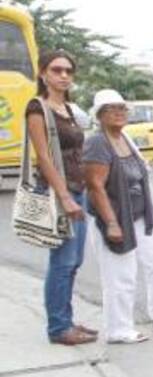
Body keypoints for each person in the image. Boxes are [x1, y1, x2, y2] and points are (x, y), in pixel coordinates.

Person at [83, 89, 153, 344]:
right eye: (111, 109)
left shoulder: (124, 138)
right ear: (100, 115)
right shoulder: (97, 143)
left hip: (138, 218)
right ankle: (118, 330)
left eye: (122, 108)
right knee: (121, 276)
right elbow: (95, 186)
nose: (119, 113)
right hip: (114, 220)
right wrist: (111, 223)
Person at [26, 50, 95, 346]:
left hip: (79, 190)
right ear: (43, 73)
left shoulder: (67, 108)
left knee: (74, 261)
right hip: (60, 193)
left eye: (68, 70)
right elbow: (44, 157)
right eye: (56, 70)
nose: (64, 75)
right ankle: (58, 328)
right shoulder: (37, 108)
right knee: (63, 262)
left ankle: (65, 319)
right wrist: (65, 196)